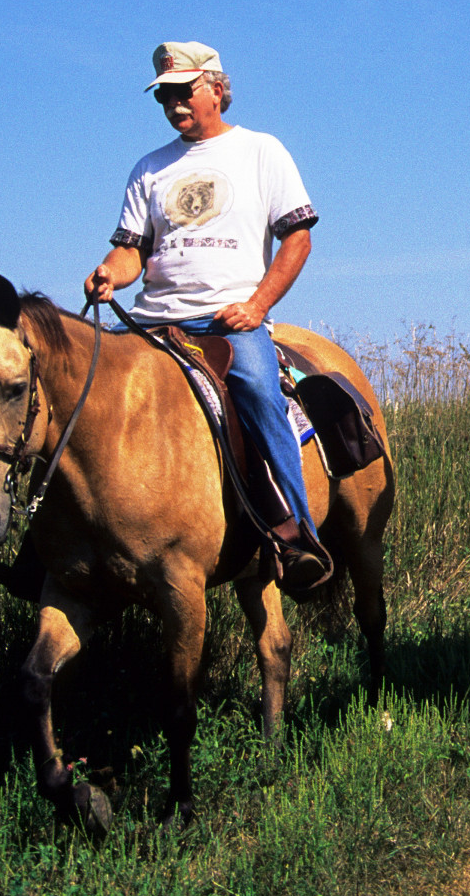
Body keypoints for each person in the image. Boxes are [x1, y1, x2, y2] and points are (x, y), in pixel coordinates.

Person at [84, 41, 329, 586]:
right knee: (83, 401)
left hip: (226, 323)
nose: (173, 105)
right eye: (164, 97)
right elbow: (131, 251)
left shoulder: (262, 152)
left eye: (183, 92)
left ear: (217, 87)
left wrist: (257, 306)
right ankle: (56, 549)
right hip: (151, 321)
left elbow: (297, 239)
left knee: (264, 398)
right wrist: (108, 271)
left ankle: (296, 541)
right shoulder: (148, 169)